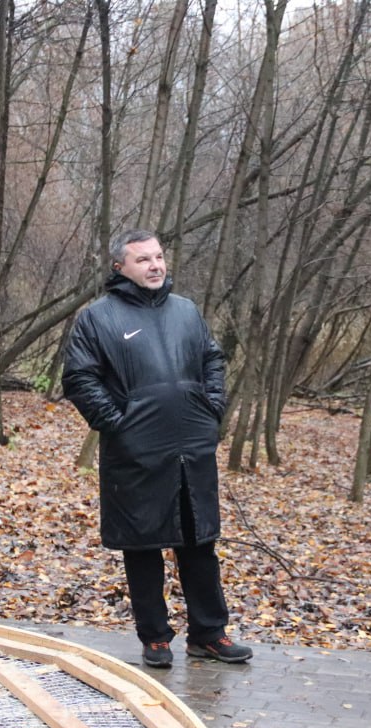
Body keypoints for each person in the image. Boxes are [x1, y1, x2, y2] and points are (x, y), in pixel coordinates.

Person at [62, 229, 251, 668]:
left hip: (192, 449)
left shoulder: (185, 311)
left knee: (199, 541)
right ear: (119, 267)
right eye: (143, 259)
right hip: (136, 454)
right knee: (143, 545)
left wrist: (212, 409)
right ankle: (156, 637)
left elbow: (212, 361)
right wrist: (119, 425)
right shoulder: (98, 318)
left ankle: (209, 633)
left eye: (159, 257)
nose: (154, 266)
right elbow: (80, 380)